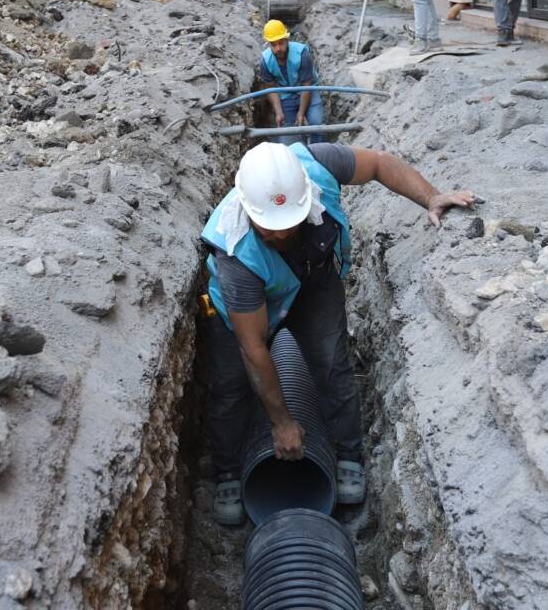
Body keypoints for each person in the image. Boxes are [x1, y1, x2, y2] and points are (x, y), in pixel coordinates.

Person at [200, 141, 476, 525]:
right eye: (270, 228)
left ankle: (349, 455)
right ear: (246, 206)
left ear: (305, 195)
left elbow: (380, 163)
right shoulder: (236, 253)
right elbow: (254, 348)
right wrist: (282, 423)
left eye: (288, 225)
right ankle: (229, 470)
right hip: (246, 306)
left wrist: (431, 196)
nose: (280, 236)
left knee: (332, 364)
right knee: (232, 387)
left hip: (313, 280)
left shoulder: (317, 165)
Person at [258, 20, 325, 144]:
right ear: (269, 44)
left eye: (281, 43)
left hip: (308, 89)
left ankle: (318, 151)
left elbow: (306, 86)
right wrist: (278, 112)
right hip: (286, 94)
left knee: (316, 122)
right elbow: (271, 89)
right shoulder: (266, 61)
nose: (278, 48)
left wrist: (301, 113)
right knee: (287, 136)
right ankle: (299, 151)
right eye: (274, 45)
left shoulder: (302, 54)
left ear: (287, 39)